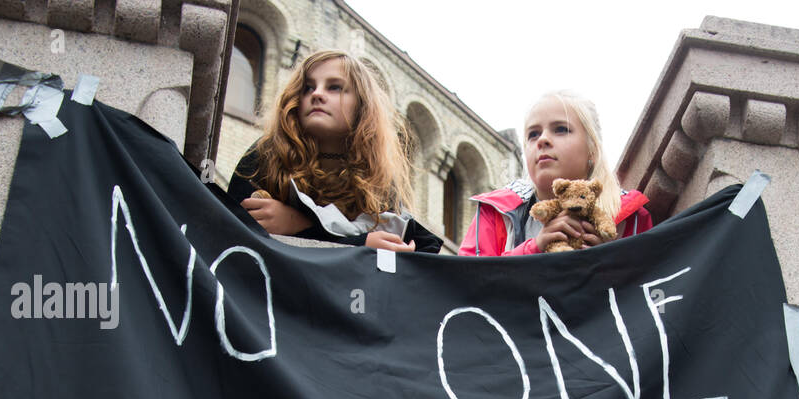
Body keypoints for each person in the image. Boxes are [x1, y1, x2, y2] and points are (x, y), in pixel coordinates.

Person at [227, 49, 442, 253]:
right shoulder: (265, 156)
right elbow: (229, 236)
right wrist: (357, 244)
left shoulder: (382, 187)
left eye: (335, 87)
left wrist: (302, 225)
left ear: (361, 105)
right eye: (308, 87)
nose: (317, 94)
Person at [458, 91, 651, 256]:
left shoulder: (633, 218)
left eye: (561, 129)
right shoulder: (495, 212)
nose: (542, 140)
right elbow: (464, 284)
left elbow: (652, 286)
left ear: (592, 148)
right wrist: (534, 249)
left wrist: (605, 260)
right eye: (533, 134)